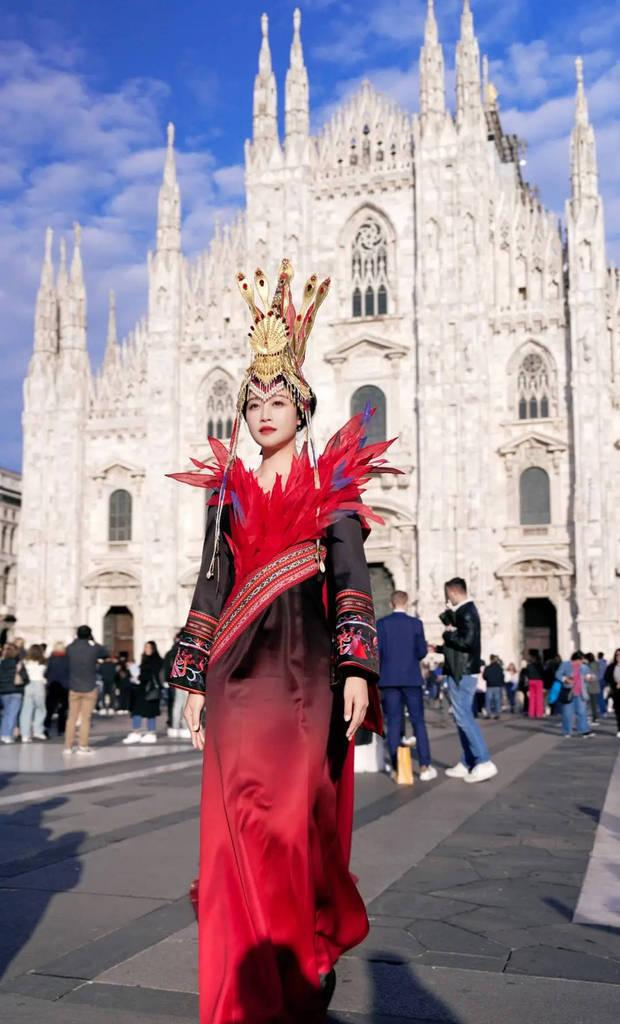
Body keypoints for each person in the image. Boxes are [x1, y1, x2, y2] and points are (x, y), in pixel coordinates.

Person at [166, 260, 395, 1023]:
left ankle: (301, 950)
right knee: (237, 825)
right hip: (234, 679)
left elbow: (350, 574)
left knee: (292, 822)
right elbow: (212, 582)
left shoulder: (332, 483)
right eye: (253, 400)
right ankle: (249, 983)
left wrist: (358, 665)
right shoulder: (229, 490)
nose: (265, 411)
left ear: (303, 407)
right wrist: (192, 678)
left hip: (303, 679)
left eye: (278, 399)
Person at [434, 578, 497, 783]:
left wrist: (447, 635)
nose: (447, 599)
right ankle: (468, 760)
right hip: (460, 669)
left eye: (448, 595)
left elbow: (467, 642)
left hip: (463, 671)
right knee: (461, 716)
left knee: (463, 717)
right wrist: (439, 648)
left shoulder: (466, 611)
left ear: (453, 592)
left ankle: (484, 761)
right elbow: (461, 645)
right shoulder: (464, 611)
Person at [377, 591, 437, 782]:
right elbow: (421, 652)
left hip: (389, 680)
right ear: (407, 603)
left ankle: (397, 768)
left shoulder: (382, 624)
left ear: (391, 603)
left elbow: (377, 652)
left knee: (393, 722)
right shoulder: (416, 624)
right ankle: (425, 766)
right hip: (411, 679)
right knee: (418, 721)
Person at [64, 625, 107, 755]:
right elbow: (105, 653)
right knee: (85, 719)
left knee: (72, 717)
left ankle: (68, 746)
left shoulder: (70, 648)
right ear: (89, 635)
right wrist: (93, 641)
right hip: (89, 686)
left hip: (74, 686)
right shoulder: (93, 648)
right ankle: (82, 746)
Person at [122, 641, 163, 744]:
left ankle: (145, 733)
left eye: (149, 647)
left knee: (146, 712)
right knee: (141, 712)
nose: (146, 649)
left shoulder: (155, 661)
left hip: (149, 690)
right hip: (144, 690)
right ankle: (141, 732)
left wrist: (138, 676)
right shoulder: (146, 660)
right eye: (145, 647)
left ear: (153, 648)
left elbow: (148, 675)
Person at [554, 651, 593, 738]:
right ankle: (567, 731)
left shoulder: (584, 667)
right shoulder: (565, 664)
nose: (581, 662)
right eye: (581, 660)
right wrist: (565, 679)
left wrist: (590, 678)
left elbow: (590, 675)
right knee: (567, 714)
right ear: (576, 659)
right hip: (568, 692)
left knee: (582, 713)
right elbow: (558, 674)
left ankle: (584, 730)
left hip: (580, 693)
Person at [0, 642, 28, 743]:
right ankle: (7, 735)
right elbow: (25, 678)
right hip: (16, 691)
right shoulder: (18, 664)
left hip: (3, 691)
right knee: (12, 714)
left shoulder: (1, 663)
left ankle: (3, 734)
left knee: (5, 714)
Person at [19, 643, 48, 742]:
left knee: (26, 710)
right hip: (39, 684)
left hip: (28, 685)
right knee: (41, 709)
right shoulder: (43, 662)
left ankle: (25, 734)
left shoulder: (25, 661)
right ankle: (38, 731)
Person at [44, 642, 70, 736]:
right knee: (63, 709)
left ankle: (46, 726)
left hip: (53, 685)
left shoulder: (51, 659)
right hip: (65, 686)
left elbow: (46, 672)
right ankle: (61, 729)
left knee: (50, 708)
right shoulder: (68, 659)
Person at [604, 649, 620, 737]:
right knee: (618, 711)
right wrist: (614, 683)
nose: (618, 656)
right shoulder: (611, 666)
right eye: (617, 655)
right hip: (616, 691)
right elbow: (606, 677)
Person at [524, 649, 545, 718]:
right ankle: (539, 713)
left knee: (532, 698)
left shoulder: (529, 665)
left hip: (531, 681)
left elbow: (526, 674)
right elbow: (543, 673)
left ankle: (531, 713)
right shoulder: (539, 665)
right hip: (538, 681)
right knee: (539, 698)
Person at [482, 655, 504, 719]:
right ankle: (497, 714)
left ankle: (488, 714)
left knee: (488, 700)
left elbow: (484, 676)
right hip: (497, 686)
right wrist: (501, 683)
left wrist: (489, 679)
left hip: (490, 685)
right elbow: (502, 676)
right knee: (497, 700)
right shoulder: (499, 668)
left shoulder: (488, 667)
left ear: (490, 660)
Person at [584, 652, 600, 726]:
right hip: (594, 686)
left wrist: (586, 678)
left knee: (592, 704)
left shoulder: (591, 665)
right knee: (593, 703)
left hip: (592, 686)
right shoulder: (595, 664)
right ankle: (594, 717)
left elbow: (591, 676)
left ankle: (594, 718)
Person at [597, 651, 608, 717]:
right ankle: (603, 710)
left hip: (599, 681)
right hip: (604, 681)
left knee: (600, 697)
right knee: (602, 696)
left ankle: (603, 711)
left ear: (599, 656)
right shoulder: (605, 663)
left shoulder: (598, 663)